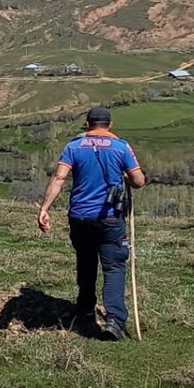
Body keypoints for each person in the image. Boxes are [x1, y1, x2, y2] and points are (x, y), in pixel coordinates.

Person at [38, 106, 146, 340]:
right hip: (109, 217)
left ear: (87, 124)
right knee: (114, 267)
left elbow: (59, 178)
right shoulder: (121, 147)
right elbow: (138, 181)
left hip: (80, 217)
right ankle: (114, 321)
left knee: (86, 263)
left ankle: (85, 310)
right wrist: (126, 176)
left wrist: (44, 209)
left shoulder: (73, 146)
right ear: (110, 124)